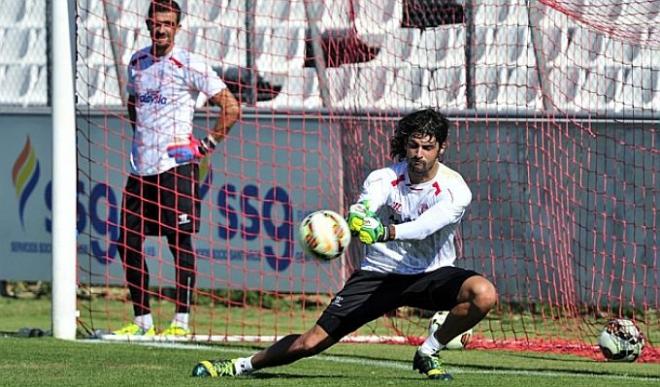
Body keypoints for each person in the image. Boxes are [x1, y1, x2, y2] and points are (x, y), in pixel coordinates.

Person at [191, 109, 496, 379]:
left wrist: (383, 232)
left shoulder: (456, 190)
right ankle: (238, 366)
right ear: (405, 145)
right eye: (413, 145)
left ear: (441, 148)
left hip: (431, 274)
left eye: (427, 147)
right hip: (379, 274)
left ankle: (428, 350)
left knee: (483, 294)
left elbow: (424, 228)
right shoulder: (383, 178)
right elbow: (365, 205)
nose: (419, 153)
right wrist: (359, 216)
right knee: (310, 343)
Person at [113, 0, 240, 337]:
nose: (161, 29)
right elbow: (132, 108)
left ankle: (180, 322)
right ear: (147, 24)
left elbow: (231, 107)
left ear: (178, 27)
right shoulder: (137, 62)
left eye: (167, 23)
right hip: (140, 168)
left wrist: (204, 146)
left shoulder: (190, 64)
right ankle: (142, 322)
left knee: (178, 241)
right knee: (126, 241)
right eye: (156, 23)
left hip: (176, 168)